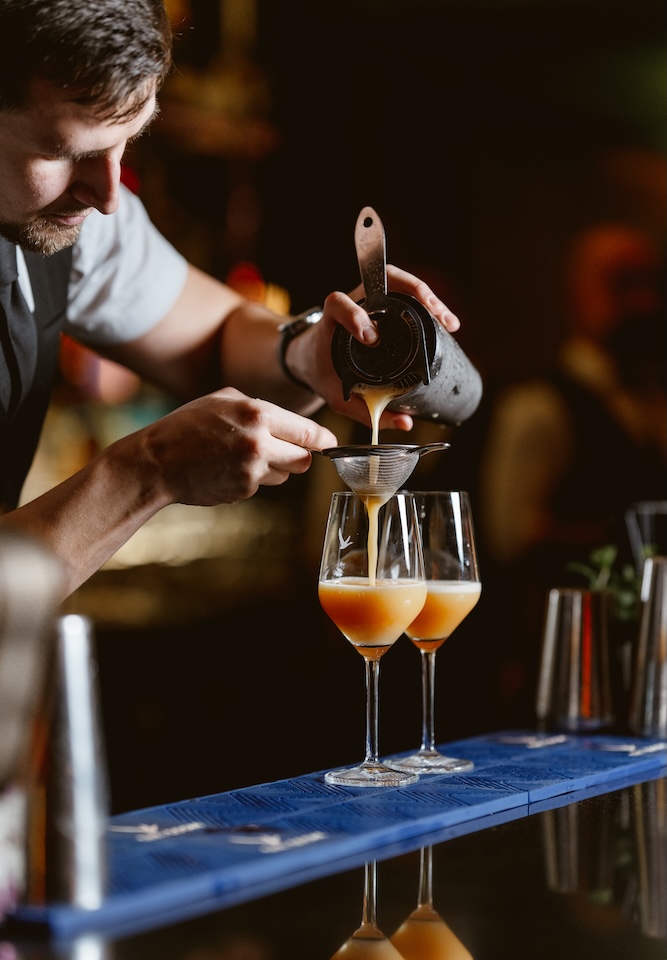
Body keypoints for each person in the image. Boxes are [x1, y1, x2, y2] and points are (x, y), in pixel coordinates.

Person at [0, 0, 464, 600]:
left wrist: (307, 352)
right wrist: (148, 473)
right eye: (64, 154)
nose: (109, 196)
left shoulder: (72, 219)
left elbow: (217, 335)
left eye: (128, 142)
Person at [473, 222, 666, 725]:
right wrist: (619, 537)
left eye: (651, 284)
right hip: (564, 669)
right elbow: (510, 536)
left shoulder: (649, 403)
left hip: (647, 666)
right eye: (623, 285)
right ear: (577, 294)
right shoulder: (539, 405)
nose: (644, 303)